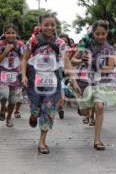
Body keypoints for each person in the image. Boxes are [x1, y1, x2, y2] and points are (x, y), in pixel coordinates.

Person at [21, 13, 79, 154]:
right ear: (40, 25)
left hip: (52, 80)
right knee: (36, 109)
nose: (49, 27)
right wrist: (23, 75)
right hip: (35, 79)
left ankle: (42, 141)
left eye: (52, 25)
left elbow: (66, 62)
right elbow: (24, 59)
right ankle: (34, 115)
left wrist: (73, 80)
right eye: (46, 24)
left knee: (48, 109)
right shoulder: (33, 40)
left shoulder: (60, 43)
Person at [72, 20, 116, 150]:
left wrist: (94, 62)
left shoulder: (109, 49)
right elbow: (73, 60)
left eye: (103, 33)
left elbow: (109, 68)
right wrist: (81, 59)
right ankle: (83, 110)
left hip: (101, 82)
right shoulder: (85, 45)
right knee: (84, 111)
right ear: (92, 33)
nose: (100, 36)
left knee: (99, 107)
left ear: (107, 33)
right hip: (85, 81)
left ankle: (97, 140)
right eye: (97, 33)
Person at [0, 24, 24, 127]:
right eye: (8, 33)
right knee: (4, 94)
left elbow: (24, 60)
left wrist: (24, 74)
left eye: (13, 33)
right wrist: (6, 50)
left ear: (16, 34)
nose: (10, 35)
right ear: (4, 34)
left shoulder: (20, 45)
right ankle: (2, 108)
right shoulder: (0, 44)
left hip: (15, 75)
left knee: (12, 100)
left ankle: (9, 118)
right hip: (2, 74)